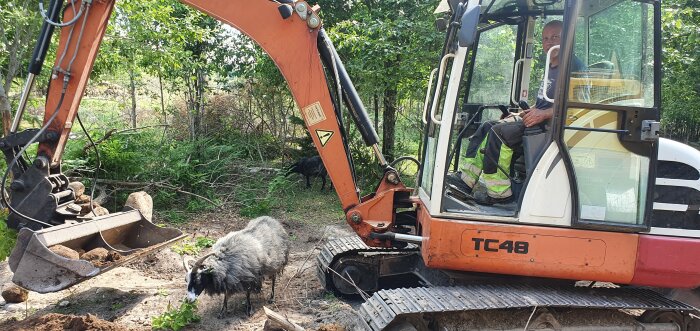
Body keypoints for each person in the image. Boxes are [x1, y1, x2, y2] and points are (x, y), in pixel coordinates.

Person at [448, 20, 586, 205]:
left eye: (555, 37)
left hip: (553, 128)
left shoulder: (573, 67)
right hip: (538, 121)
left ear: (568, 38)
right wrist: (520, 114)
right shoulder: (550, 67)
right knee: (488, 125)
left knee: (499, 133)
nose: (549, 42)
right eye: (545, 38)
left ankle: (499, 194)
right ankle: (466, 180)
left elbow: (580, 106)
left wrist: (544, 115)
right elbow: (543, 104)